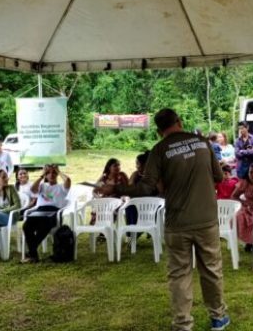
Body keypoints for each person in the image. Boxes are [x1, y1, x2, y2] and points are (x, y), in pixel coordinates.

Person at [98, 108, 230, 331]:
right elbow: (218, 176)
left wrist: (116, 188)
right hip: (206, 219)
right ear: (179, 121)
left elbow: (145, 187)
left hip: (177, 222)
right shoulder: (202, 142)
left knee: (179, 274)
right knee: (211, 269)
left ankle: (183, 324)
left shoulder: (159, 150)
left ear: (159, 131)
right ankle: (218, 317)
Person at [22, 164, 71, 263]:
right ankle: (33, 254)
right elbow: (32, 189)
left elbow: (68, 181)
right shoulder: (42, 186)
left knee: (45, 225)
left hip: (54, 212)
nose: (51, 175)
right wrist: (42, 174)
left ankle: (32, 253)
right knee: (26, 226)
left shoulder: (61, 187)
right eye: (48, 173)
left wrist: (58, 171)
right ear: (46, 175)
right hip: (39, 211)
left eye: (54, 173)